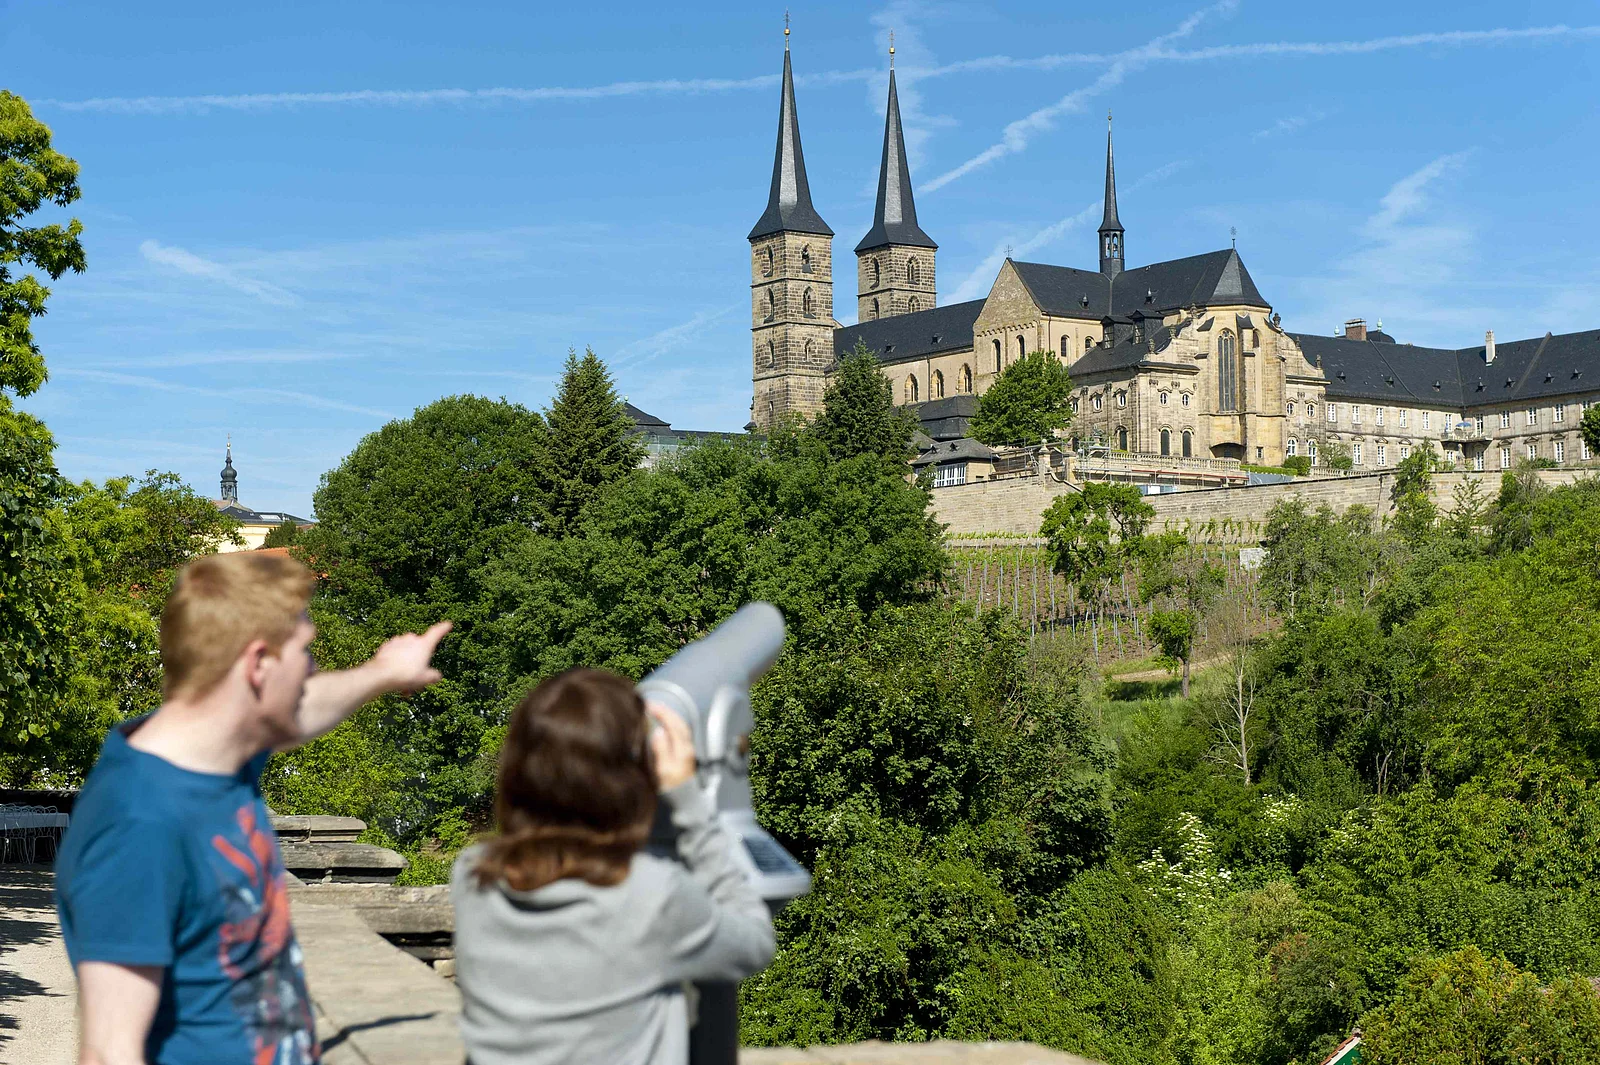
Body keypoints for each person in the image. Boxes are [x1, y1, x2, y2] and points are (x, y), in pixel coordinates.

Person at [55, 551, 450, 1065]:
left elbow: (301, 707)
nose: (312, 669)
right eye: (305, 652)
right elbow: (110, 1052)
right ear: (259, 664)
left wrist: (384, 672)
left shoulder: (215, 754)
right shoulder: (138, 823)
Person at [451, 668, 775, 1065]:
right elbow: (755, 942)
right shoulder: (652, 896)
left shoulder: (472, 874)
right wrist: (689, 805)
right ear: (631, 779)